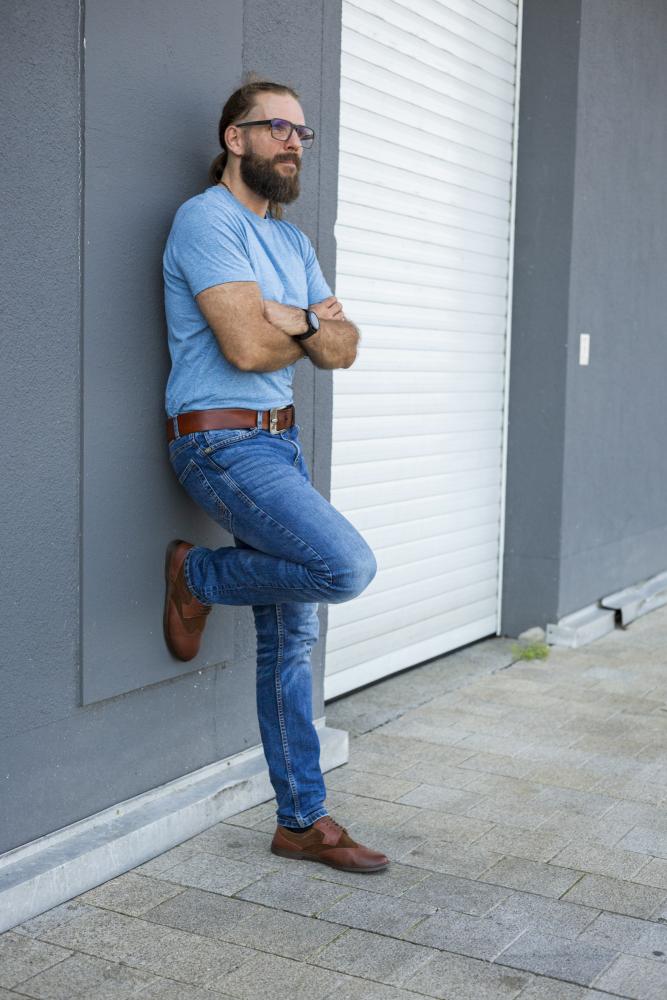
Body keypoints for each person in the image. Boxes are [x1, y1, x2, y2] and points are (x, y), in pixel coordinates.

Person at [162, 77, 389, 874]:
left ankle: (301, 820)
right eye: (276, 128)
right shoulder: (206, 220)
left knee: (291, 637)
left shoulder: (291, 244)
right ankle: (199, 574)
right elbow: (246, 351)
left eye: (301, 132)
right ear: (235, 138)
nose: (294, 142)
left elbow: (346, 346)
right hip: (220, 443)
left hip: (279, 444)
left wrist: (283, 315)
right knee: (343, 565)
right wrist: (301, 327)